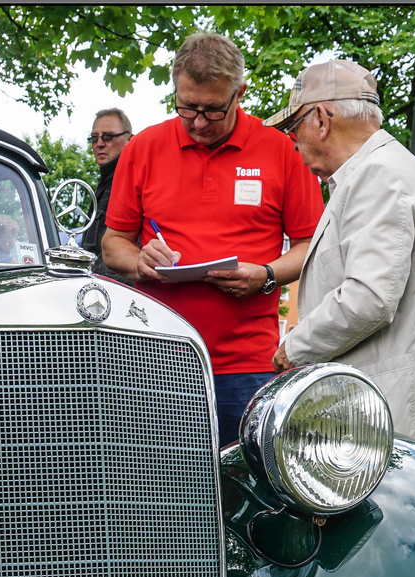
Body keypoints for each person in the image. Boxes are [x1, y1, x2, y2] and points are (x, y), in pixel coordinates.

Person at [102, 31, 324, 446]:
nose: (199, 122)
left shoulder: (282, 151)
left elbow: (311, 245)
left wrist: (266, 274)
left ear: (240, 92)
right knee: (151, 490)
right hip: (151, 357)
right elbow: (114, 242)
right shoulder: (144, 147)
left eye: (213, 110)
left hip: (247, 365)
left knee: (245, 492)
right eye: (187, 108)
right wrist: (139, 261)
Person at [270, 59, 415, 451]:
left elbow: (368, 298)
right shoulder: (380, 169)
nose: (293, 140)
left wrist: (295, 346)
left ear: (321, 119)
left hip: (392, 414)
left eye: (293, 127)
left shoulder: (377, 174)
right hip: (393, 406)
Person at [80, 108, 132, 257]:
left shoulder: (132, 183)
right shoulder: (106, 182)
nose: (100, 144)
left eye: (108, 137)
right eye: (94, 138)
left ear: (130, 139)